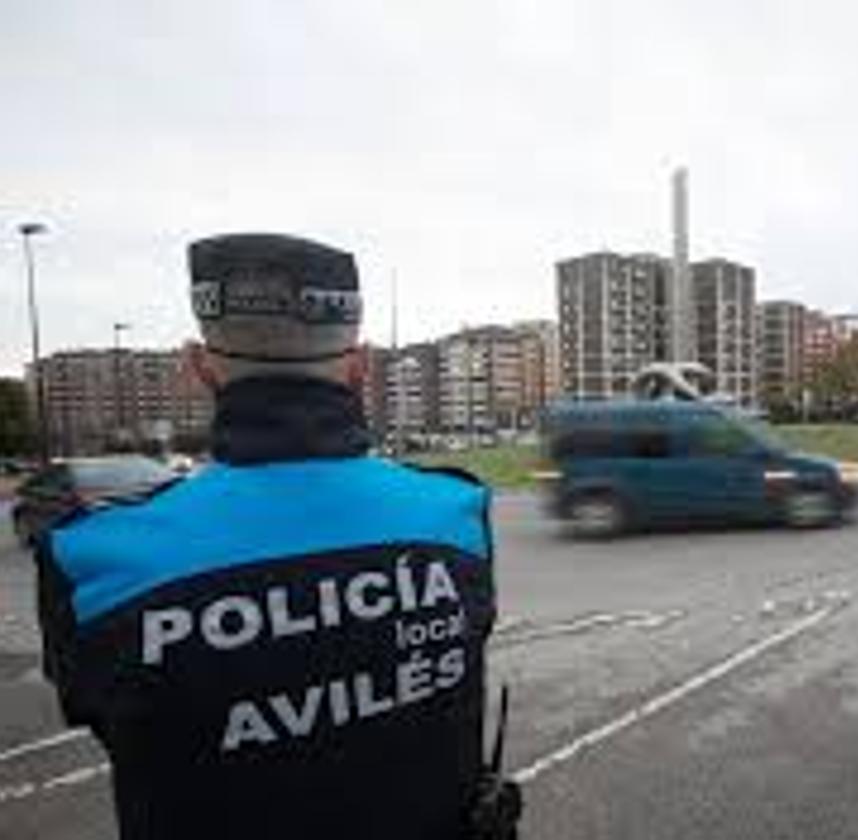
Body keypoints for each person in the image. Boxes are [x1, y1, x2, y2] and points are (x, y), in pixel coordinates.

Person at [35, 233, 518, 839]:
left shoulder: (93, 556)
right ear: (360, 366)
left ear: (198, 367)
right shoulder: (457, 513)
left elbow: (97, 710)